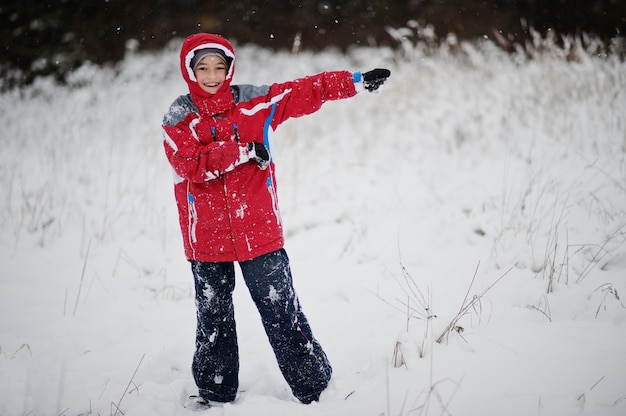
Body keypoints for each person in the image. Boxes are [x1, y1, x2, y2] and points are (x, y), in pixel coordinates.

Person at [162, 32, 390, 408]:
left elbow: (306, 91)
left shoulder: (253, 102)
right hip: (207, 238)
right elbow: (191, 164)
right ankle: (216, 390)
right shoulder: (179, 116)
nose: (212, 75)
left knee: (281, 310)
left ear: (230, 68)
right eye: (203, 67)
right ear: (190, 70)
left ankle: (314, 386)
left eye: (220, 67)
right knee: (213, 317)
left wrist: (356, 82)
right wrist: (244, 151)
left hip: (258, 231)